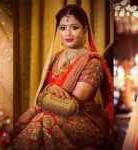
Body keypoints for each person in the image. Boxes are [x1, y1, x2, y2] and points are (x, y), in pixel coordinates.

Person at [12, 4, 113, 150]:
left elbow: (69, 107)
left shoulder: (93, 62)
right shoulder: (55, 58)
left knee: (45, 121)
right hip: (51, 113)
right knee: (30, 122)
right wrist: (33, 110)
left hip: (85, 120)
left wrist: (42, 98)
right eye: (63, 28)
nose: (68, 33)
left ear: (85, 30)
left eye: (74, 27)